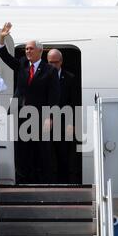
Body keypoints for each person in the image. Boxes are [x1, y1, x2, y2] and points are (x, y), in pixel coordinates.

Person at [0, 22, 60, 184]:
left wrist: (50, 117)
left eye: (30, 48)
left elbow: (54, 96)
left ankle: (44, 182)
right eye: (26, 49)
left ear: (40, 50)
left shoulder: (50, 71)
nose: (27, 51)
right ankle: (21, 180)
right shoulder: (22, 65)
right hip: (19, 114)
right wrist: (1, 40)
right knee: (20, 149)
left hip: (39, 116)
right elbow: (5, 57)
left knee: (41, 150)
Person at [47, 48, 77, 183]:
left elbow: (74, 102)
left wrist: (72, 123)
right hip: (43, 122)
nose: (53, 65)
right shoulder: (41, 77)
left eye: (55, 62)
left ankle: (63, 183)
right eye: (50, 62)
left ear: (61, 62)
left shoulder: (70, 78)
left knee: (63, 155)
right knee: (46, 155)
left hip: (64, 122)